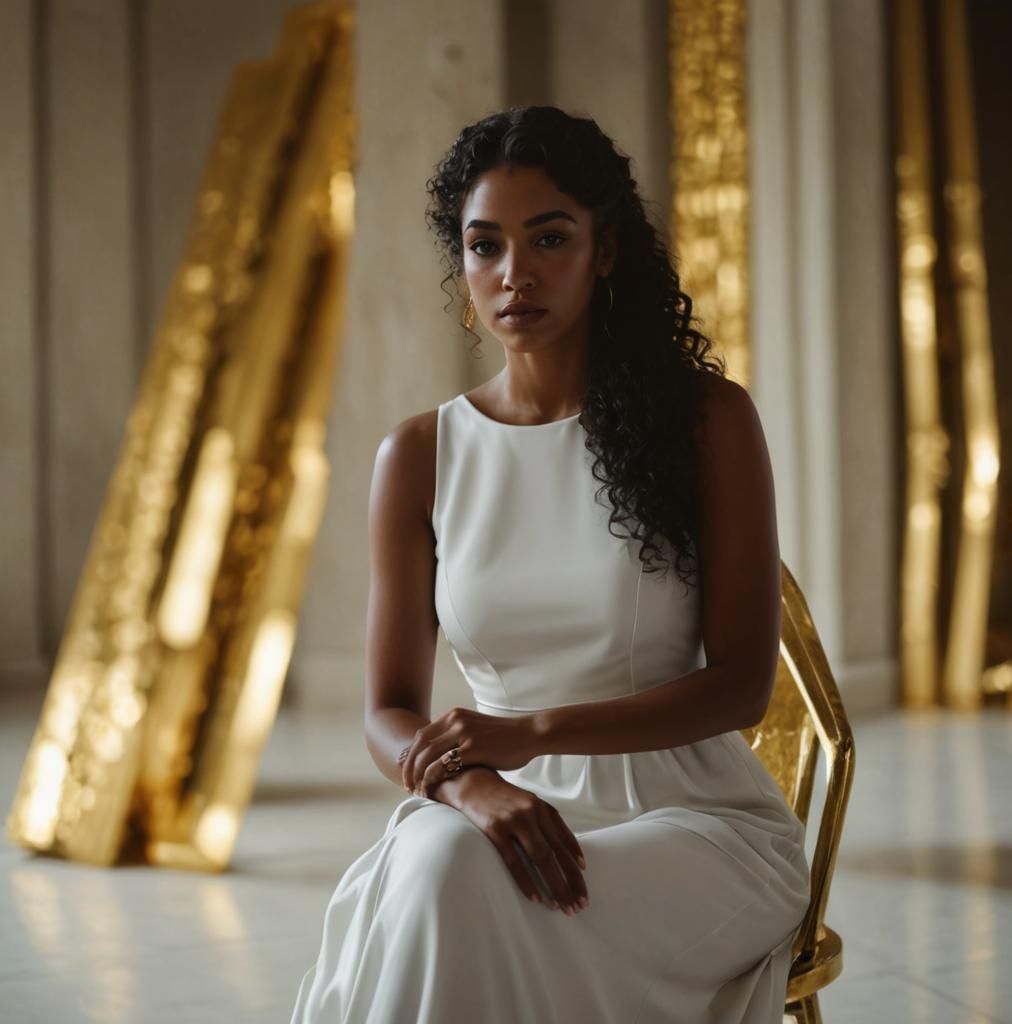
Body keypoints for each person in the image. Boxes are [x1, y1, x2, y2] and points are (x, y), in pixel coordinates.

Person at [289, 105, 811, 1023]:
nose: (513, 273)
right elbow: (387, 712)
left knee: (462, 891)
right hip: (499, 805)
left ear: (604, 251)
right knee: (442, 861)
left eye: (549, 238)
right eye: (484, 246)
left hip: (691, 822)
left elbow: (741, 688)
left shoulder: (709, 422)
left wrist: (530, 732)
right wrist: (471, 784)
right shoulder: (419, 455)